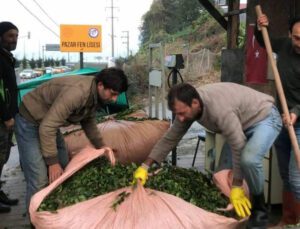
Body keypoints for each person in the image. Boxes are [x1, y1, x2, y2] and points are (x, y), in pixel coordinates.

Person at [133, 82, 282, 228]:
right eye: (177, 114)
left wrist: (237, 185)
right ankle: (235, 216)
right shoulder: (187, 107)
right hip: (240, 124)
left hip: (264, 117)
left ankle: (260, 210)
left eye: (182, 113)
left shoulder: (219, 109)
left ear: (195, 103)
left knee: (248, 160)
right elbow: (171, 137)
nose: (181, 119)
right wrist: (145, 166)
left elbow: (238, 144)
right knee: (221, 176)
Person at [14, 67, 128, 211]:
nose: (114, 99)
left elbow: (88, 122)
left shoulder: (94, 96)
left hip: (47, 121)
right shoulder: (78, 93)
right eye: (113, 94)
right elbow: (46, 128)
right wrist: (52, 162)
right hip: (29, 120)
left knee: (64, 166)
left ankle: (54, 209)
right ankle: (35, 220)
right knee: (39, 179)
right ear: (101, 85)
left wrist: (102, 147)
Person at [256, 14, 300, 227]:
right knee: (285, 174)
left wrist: (296, 112)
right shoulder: (284, 45)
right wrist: (260, 26)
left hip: (297, 120)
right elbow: (262, 38)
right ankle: (288, 220)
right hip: (281, 118)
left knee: (296, 174)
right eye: (297, 38)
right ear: (290, 35)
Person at [0, 21, 20, 213]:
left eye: (16, 36)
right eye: (10, 36)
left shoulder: (7, 58)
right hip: (1, 119)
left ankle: (0, 193)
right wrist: (6, 116)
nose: (14, 40)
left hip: (7, 118)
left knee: (3, 157)